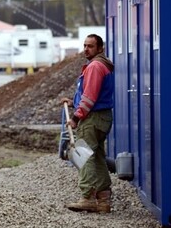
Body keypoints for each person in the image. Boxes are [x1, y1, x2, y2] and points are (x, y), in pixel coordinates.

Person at [61, 34, 114, 213]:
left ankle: (87, 197)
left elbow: (90, 97)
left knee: (84, 156)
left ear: (100, 49)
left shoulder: (95, 67)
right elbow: (92, 95)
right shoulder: (103, 65)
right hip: (102, 117)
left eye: (90, 46)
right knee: (97, 156)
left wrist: (76, 117)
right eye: (84, 45)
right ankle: (103, 200)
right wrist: (74, 103)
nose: (86, 49)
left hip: (92, 119)